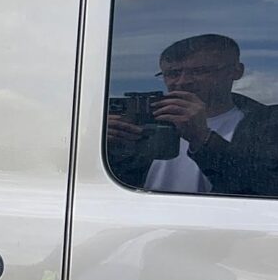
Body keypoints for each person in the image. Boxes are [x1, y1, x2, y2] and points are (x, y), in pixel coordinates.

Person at [107, 33, 278, 196]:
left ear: (236, 71)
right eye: (173, 73)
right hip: (147, 224)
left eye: (200, 71)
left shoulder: (270, 125)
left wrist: (202, 139)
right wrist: (109, 147)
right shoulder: (146, 125)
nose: (183, 81)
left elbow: (267, 186)